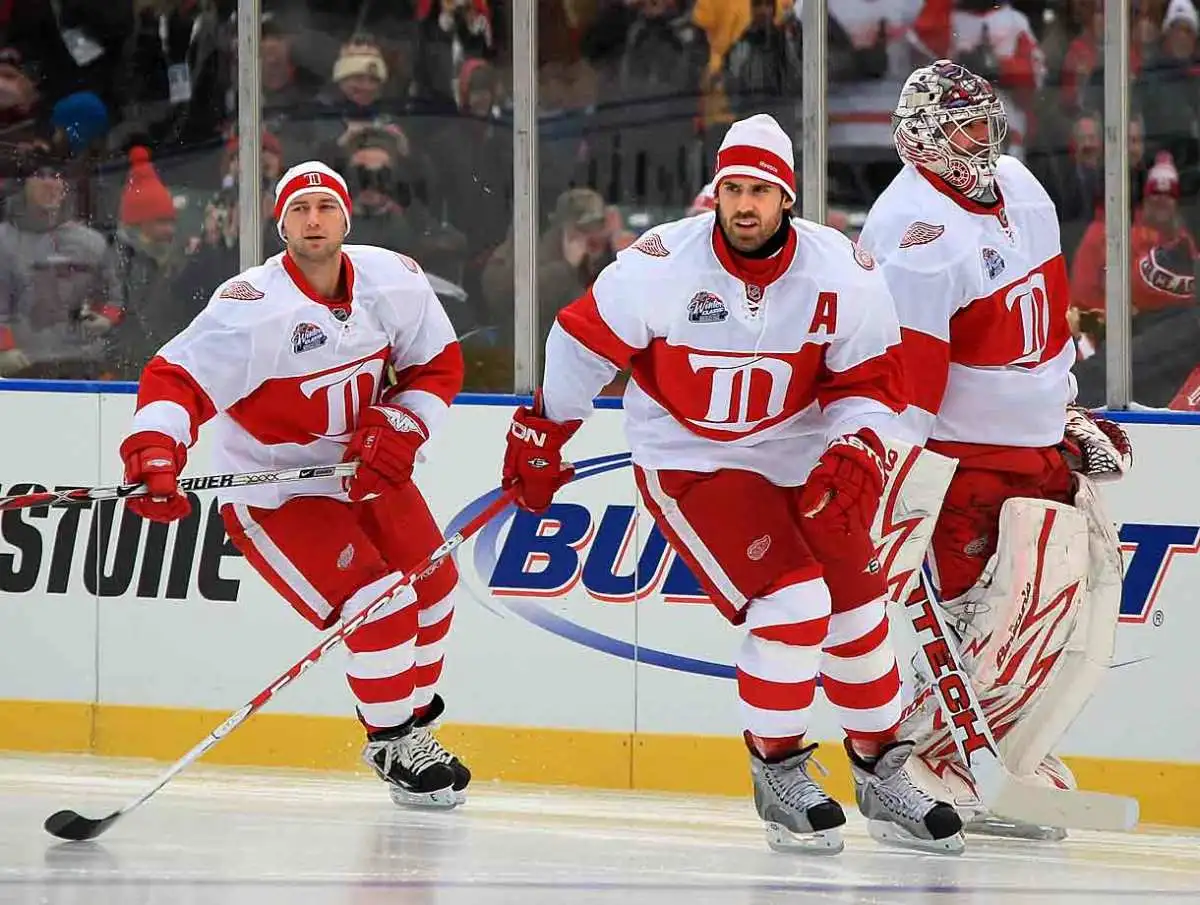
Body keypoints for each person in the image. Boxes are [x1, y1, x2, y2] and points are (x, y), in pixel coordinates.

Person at [500, 113, 965, 855]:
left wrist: (858, 445)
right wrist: (545, 427)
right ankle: (777, 768)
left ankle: (882, 771)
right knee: (792, 601)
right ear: (715, 192)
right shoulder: (659, 263)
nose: (745, 205)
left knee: (858, 609)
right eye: (733, 189)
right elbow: (583, 341)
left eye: (761, 191)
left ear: (788, 198)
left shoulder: (843, 272)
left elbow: (874, 379)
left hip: (803, 449)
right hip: (692, 457)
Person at [116, 160, 470, 810]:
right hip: (280, 495)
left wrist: (401, 421)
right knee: (382, 604)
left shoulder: (393, 281)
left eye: (325, 207)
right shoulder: (252, 307)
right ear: (282, 225)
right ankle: (391, 742)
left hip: (367, 476)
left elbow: (438, 362)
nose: (314, 219)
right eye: (300, 209)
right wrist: (156, 448)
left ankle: (415, 728)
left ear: (345, 217)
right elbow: (176, 378)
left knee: (438, 584)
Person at [857, 60, 1133, 838]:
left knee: (1062, 613)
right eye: (964, 129)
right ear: (921, 139)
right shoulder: (914, 233)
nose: (985, 141)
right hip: (964, 460)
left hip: (1036, 447)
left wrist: (1066, 411)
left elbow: (1043, 331)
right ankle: (915, 765)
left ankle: (1003, 757)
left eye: (987, 123)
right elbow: (905, 384)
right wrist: (898, 480)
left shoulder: (1023, 189)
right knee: (990, 613)